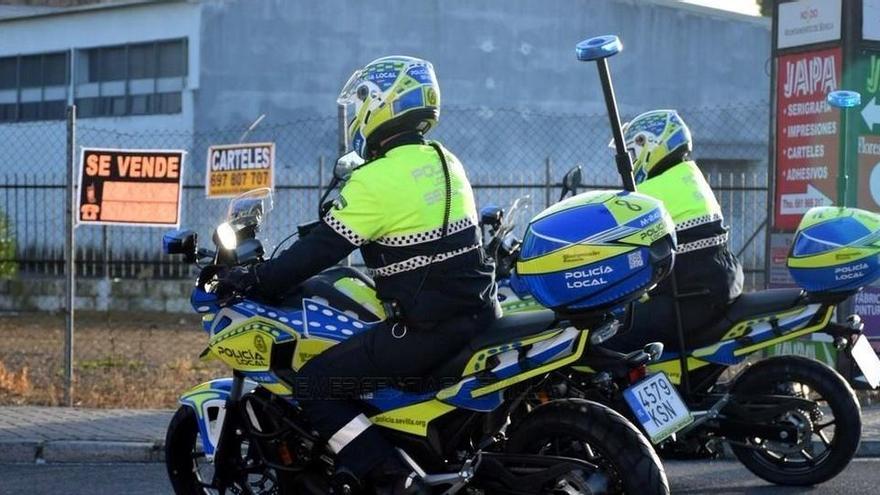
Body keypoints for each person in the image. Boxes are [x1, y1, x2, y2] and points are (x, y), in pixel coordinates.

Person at [216, 55, 498, 494]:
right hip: (478, 313)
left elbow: (322, 249)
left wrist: (257, 280)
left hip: (428, 329)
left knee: (316, 384)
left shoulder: (378, 177)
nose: (360, 107)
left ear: (384, 103)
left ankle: (389, 474)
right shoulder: (447, 161)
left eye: (365, 97)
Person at [604, 109, 744, 352]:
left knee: (604, 337)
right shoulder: (687, 175)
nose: (631, 160)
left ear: (649, 145)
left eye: (633, 151)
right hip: (717, 283)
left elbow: (614, 242)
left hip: (688, 299)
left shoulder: (650, 192)